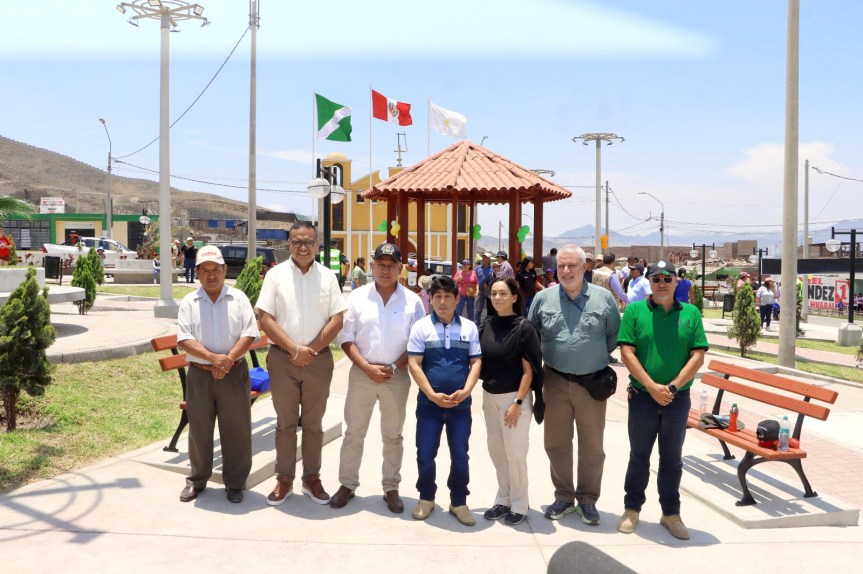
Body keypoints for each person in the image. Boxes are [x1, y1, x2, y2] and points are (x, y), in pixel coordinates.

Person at [528, 244, 621, 526]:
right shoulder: (543, 299)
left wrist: (590, 358)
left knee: (592, 447)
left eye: (572, 266)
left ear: (585, 267)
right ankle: (564, 496)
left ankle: (588, 500)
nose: (566, 271)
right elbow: (532, 336)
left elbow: (613, 336)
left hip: (591, 384)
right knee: (556, 443)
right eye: (561, 266)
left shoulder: (604, 300)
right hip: (555, 381)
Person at [256, 222, 347, 507]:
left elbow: (337, 319)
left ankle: (311, 478)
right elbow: (265, 317)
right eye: (297, 242)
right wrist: (294, 349)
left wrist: (310, 351)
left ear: (318, 245)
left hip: (318, 362)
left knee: (314, 425)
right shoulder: (275, 276)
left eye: (309, 242)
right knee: (284, 424)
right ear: (289, 245)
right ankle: (284, 479)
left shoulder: (328, 278)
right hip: (282, 360)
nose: (303, 247)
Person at [330, 243, 426, 513]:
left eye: (391, 265)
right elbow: (346, 339)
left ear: (399, 268)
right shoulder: (357, 297)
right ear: (372, 266)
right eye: (380, 264)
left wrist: (395, 367)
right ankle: (347, 484)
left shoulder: (413, 301)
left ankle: (391, 487)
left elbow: (417, 342)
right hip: (362, 374)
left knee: (393, 435)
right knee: (353, 433)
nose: (385, 270)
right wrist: (366, 367)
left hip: (396, 376)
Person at [617, 259, 708, 540]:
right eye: (656, 279)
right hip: (644, 398)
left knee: (672, 459)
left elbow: (698, 355)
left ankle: (671, 513)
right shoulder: (635, 311)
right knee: (639, 457)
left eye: (667, 279)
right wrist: (652, 386)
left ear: (676, 282)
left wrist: (671, 386)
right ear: (650, 282)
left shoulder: (691, 313)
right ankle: (632, 510)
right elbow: (627, 353)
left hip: (677, 399)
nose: (662, 283)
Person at [176, 245, 259, 504]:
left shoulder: (239, 298)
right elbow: (184, 339)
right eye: (205, 270)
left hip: (234, 373)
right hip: (200, 375)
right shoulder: (189, 301)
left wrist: (227, 361)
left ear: (225, 270)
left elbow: (249, 334)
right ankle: (197, 480)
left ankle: (235, 483)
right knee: (199, 429)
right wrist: (214, 360)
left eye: (216, 269)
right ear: (198, 272)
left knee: (237, 430)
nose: (211, 275)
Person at [407, 275, 482, 526]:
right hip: (429, 405)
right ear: (430, 299)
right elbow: (414, 364)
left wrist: (467, 390)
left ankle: (458, 502)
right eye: (437, 297)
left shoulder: (469, 328)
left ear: (457, 298)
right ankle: (426, 498)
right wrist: (430, 394)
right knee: (426, 453)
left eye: (447, 297)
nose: (441, 302)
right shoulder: (421, 327)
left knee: (460, 455)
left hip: (461, 406)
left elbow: (476, 362)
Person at [479, 277, 543, 526]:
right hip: (489, 397)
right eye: (494, 293)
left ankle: (519, 503)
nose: (497, 298)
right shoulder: (487, 324)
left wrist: (517, 402)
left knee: (515, 453)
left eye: (503, 294)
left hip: (514, 399)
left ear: (515, 297)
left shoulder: (524, 327)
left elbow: (529, 371)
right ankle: (503, 498)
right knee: (496, 451)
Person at [474, 252, 494, 325]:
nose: (484, 259)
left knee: (490, 311)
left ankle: (489, 326)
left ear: (489, 259)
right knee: (478, 310)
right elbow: (474, 279)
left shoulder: (493, 268)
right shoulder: (477, 268)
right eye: (483, 257)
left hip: (490, 292)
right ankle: (477, 326)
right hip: (480, 291)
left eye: (486, 258)